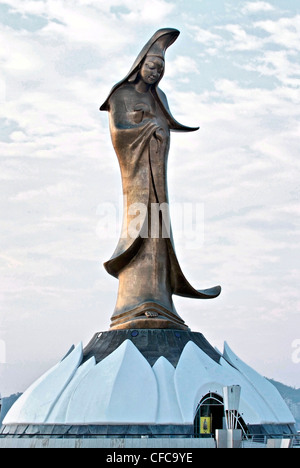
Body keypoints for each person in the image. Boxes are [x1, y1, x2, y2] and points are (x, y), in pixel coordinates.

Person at [100, 28, 221, 330]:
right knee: (141, 228)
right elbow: (119, 133)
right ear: (140, 63)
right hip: (138, 178)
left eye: (161, 69)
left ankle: (160, 304)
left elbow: (164, 127)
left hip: (156, 177)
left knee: (158, 232)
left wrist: (157, 128)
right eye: (152, 65)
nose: (155, 72)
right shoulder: (122, 95)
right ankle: (133, 305)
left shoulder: (160, 97)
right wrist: (144, 125)